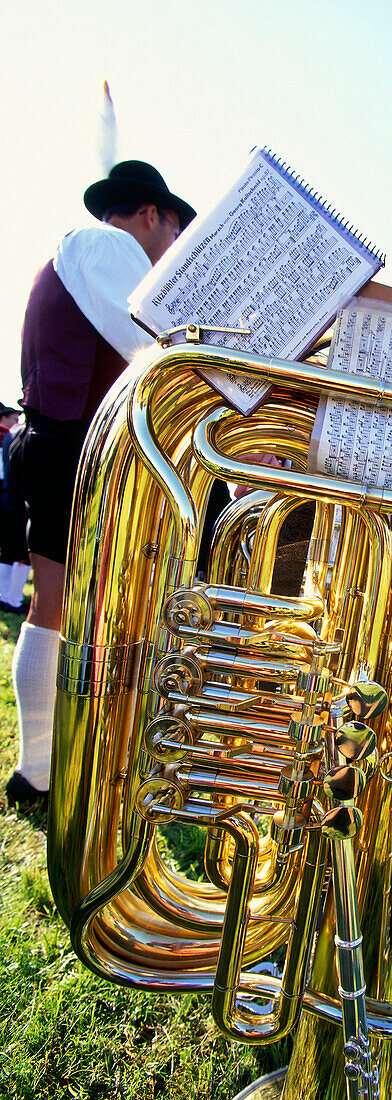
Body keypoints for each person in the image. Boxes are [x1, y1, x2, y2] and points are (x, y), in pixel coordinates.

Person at [6, 160, 196, 808]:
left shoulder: (89, 253)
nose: (171, 250)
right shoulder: (105, 246)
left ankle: (44, 769)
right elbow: (155, 348)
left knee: (59, 608)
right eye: (173, 233)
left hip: (62, 445)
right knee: (62, 609)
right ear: (151, 215)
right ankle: (43, 770)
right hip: (69, 450)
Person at [0, 409, 30, 613]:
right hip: (20, 499)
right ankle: (14, 600)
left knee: (8, 551)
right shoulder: (20, 434)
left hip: (7, 496)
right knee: (20, 552)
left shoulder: (10, 435)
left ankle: (5, 596)